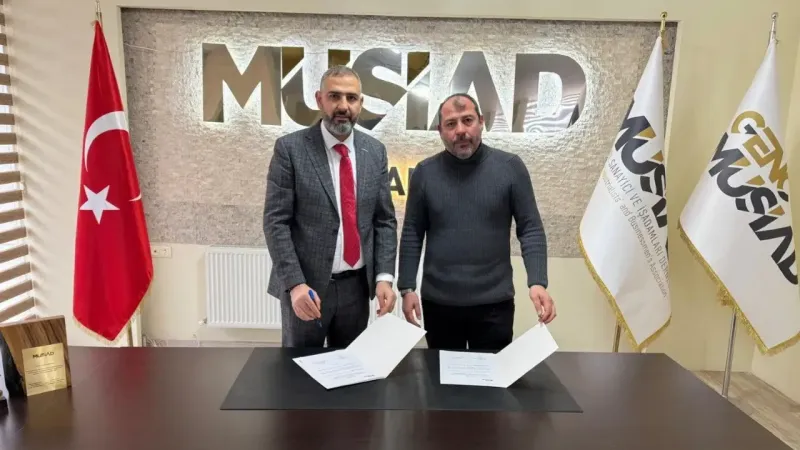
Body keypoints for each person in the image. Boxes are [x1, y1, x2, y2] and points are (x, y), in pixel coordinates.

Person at [397, 93, 555, 351]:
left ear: (481, 122)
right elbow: (412, 234)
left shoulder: (510, 167)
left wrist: (537, 281)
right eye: (451, 124)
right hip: (439, 306)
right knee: (443, 376)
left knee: (493, 375)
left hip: (495, 305)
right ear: (440, 131)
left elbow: (531, 229)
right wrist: (406, 288)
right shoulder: (425, 173)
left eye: (467, 120)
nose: (460, 130)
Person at [263, 66, 398, 348]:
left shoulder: (375, 152)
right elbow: (276, 223)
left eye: (351, 98)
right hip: (307, 288)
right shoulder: (290, 149)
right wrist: (295, 284)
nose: (343, 106)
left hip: (356, 289)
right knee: (299, 368)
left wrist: (384, 276)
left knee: (351, 366)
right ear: (319, 99)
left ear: (360, 103)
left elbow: (384, 220)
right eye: (334, 96)